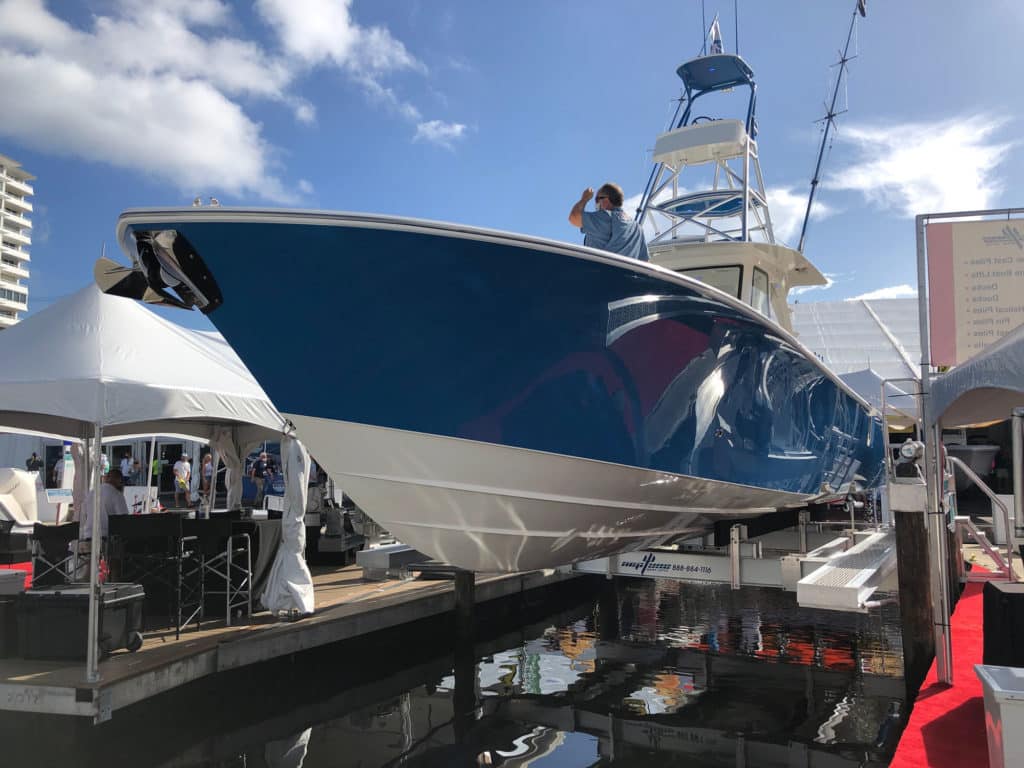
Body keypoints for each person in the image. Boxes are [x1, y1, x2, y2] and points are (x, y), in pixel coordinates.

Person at [568, 183, 649, 262]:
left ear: (606, 200)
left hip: (600, 273)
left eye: (597, 200)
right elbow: (644, 261)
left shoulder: (605, 217)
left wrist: (585, 198)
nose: (596, 204)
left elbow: (574, 217)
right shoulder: (638, 228)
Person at [79, 468, 130, 540]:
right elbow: (123, 517)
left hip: (88, 534)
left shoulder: (92, 492)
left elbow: (84, 511)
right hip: (105, 535)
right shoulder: (116, 494)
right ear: (119, 480)